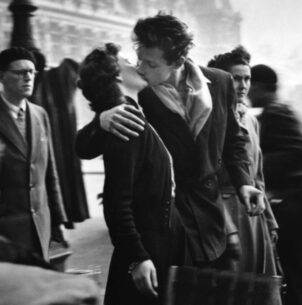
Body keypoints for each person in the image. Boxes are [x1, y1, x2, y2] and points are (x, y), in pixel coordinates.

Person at [75, 13, 265, 269]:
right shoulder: (138, 93)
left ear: (177, 60)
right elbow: (83, 148)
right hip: (163, 218)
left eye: (151, 64)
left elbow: (233, 140)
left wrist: (244, 183)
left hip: (210, 212)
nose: (141, 67)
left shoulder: (221, 82)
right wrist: (101, 121)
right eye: (140, 59)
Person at [77, 43, 175, 305]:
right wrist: (138, 256)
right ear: (117, 75)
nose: (138, 65)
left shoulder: (132, 112)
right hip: (145, 249)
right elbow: (116, 201)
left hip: (152, 245)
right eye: (128, 61)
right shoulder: (126, 121)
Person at [207, 47, 281, 282]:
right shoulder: (209, 119)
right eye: (236, 78)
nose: (243, 85)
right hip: (222, 212)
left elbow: (257, 175)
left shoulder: (250, 119)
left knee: (256, 282)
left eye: (247, 78)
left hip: (252, 212)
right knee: (230, 285)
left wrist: (269, 220)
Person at [249, 64, 302, 305]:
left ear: (258, 86)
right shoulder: (274, 110)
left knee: (293, 273)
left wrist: (257, 164)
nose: (246, 92)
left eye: (250, 85)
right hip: (290, 206)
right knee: (293, 272)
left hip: (290, 207)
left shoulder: (275, 112)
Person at [0, 47, 68, 262]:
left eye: (31, 72)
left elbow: (51, 173)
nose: (28, 77)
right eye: (20, 72)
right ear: (2, 76)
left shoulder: (40, 115)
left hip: (41, 227)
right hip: (6, 231)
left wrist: (58, 221)